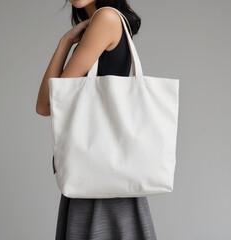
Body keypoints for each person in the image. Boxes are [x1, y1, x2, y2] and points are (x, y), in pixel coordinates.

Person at [36, 1, 157, 239]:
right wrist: (65, 42)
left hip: (101, 177)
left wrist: (65, 45)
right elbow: (43, 106)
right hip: (99, 169)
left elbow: (49, 102)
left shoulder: (106, 19)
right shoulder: (100, 22)